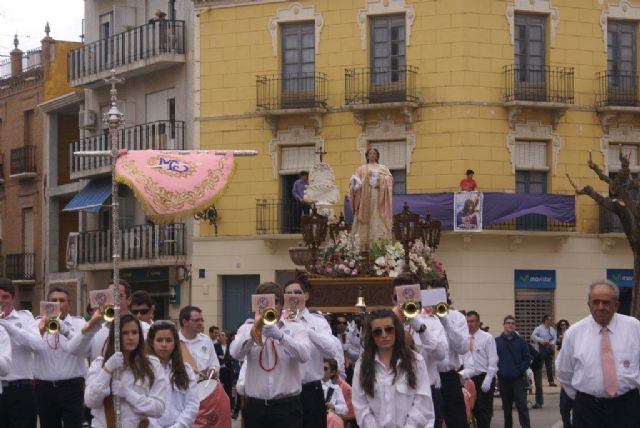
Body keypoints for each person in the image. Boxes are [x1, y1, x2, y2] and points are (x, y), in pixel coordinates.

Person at [556, 280, 640, 428]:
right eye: (595, 302)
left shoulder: (634, 328)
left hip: (627, 408)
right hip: (587, 410)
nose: (600, 307)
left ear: (616, 305)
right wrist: (585, 397)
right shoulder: (574, 333)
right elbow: (564, 373)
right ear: (589, 305)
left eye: (606, 302)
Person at [230, 281, 312, 428]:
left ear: (281, 305)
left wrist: (281, 336)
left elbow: (304, 355)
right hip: (256, 406)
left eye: (275, 302)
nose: (270, 306)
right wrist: (254, 331)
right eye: (264, 302)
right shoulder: (246, 328)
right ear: (257, 305)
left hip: (287, 406)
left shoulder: (296, 328)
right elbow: (235, 353)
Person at [351, 309, 434, 427]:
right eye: (377, 332)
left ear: (397, 331)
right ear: (371, 336)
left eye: (389, 329)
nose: (384, 335)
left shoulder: (416, 361)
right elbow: (360, 406)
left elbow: (423, 405)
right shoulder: (362, 365)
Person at [84, 313, 168, 427]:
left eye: (134, 332)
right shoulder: (99, 365)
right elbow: (90, 401)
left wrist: (128, 394)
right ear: (115, 336)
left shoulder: (151, 365)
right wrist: (107, 370)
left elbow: (158, 408)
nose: (131, 337)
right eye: (125, 333)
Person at [392, 273, 448, 428]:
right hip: (395, 394)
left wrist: (420, 328)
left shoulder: (432, 322)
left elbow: (441, 355)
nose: (402, 302)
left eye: (408, 296)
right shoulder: (386, 322)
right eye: (398, 298)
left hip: (425, 392)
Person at [284, 278, 338, 428]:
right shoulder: (278, 321)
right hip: (285, 392)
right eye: (288, 293)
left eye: (297, 292)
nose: (293, 296)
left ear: (306, 295)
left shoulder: (318, 322)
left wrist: (305, 330)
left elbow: (332, 351)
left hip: (310, 391)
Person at [33, 287, 88, 428]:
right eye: (54, 301)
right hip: (44, 388)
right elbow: (31, 346)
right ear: (46, 304)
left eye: (61, 301)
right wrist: (41, 329)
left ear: (69, 304)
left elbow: (84, 349)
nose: (58, 304)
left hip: (72, 387)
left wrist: (65, 330)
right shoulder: (36, 324)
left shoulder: (79, 323)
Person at [67, 280, 149, 362]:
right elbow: (73, 350)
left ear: (129, 300)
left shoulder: (144, 328)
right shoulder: (96, 328)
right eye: (109, 297)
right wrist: (92, 326)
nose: (113, 302)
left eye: (117, 297)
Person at [0, 278, 43, 428]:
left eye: (5, 297)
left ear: (13, 299)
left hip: (21, 389)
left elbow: (38, 345)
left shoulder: (25, 318)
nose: (1, 301)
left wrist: (8, 326)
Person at [431, 279, 470, 428]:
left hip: (449, 377)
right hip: (427, 378)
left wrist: (445, 322)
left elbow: (463, 348)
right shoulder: (419, 316)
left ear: (445, 295)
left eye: (437, 294)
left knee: (457, 422)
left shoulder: (456, 317)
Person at [147, 320, 199, 428]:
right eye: (160, 340)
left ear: (175, 343)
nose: (164, 344)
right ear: (152, 342)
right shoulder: (143, 370)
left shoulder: (186, 370)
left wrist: (178, 426)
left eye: (168, 340)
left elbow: (192, 404)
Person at [349, 147, 393, 248]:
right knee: (364, 217)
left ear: (377, 156)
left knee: (377, 215)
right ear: (367, 156)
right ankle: (362, 244)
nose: (372, 155)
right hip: (364, 197)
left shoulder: (383, 168)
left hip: (378, 195)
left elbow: (390, 180)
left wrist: (380, 179)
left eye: (374, 153)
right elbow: (354, 182)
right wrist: (354, 184)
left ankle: (379, 244)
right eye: (370, 153)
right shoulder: (361, 168)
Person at [461, 310, 498, 428]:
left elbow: (493, 361)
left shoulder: (487, 338)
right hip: (468, 378)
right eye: (467, 321)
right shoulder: (463, 338)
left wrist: (488, 379)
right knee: (470, 409)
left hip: (484, 377)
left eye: (472, 321)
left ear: (478, 322)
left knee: (483, 411)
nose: (469, 324)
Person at [495, 315, 531, 428]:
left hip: (518, 379)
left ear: (515, 326)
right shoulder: (497, 341)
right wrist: (499, 371)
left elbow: (527, 358)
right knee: (506, 407)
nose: (510, 325)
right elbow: (493, 359)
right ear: (504, 325)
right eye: (508, 323)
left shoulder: (521, 341)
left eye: (512, 323)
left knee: (522, 406)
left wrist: (520, 370)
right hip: (503, 379)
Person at [178, 305, 220, 379]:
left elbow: (214, 363)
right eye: (196, 320)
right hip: (181, 388)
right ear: (185, 322)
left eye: (202, 320)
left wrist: (213, 370)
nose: (201, 323)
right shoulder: (174, 341)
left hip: (203, 387)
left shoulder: (206, 340)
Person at [555, 319, 573, 428]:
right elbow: (558, 364)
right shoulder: (562, 351)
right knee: (564, 410)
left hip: (579, 386)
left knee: (578, 412)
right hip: (566, 386)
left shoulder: (578, 348)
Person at [531, 314, 557, 386]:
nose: (550, 321)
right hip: (541, 348)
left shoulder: (552, 329)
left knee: (549, 366)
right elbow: (533, 336)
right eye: (548, 319)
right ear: (545, 320)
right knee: (539, 366)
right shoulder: (539, 328)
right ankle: (537, 381)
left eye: (550, 320)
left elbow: (554, 338)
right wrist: (540, 340)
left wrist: (551, 343)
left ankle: (551, 381)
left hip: (548, 348)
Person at [322, 359, 348, 428]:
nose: (321, 370)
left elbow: (345, 409)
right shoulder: (313, 386)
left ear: (332, 372)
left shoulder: (336, 388)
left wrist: (334, 407)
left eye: (325, 368)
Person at [215, 330, 235, 406]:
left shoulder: (231, 346)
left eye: (222, 335)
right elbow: (215, 357)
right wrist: (224, 358)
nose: (220, 337)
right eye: (219, 335)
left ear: (226, 337)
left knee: (228, 390)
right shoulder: (215, 346)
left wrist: (223, 358)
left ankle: (229, 407)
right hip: (219, 370)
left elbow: (233, 357)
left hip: (228, 370)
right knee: (219, 391)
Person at [527, 341, 544, 409]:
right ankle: (520, 402)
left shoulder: (525, 346)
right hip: (527, 367)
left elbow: (535, 357)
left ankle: (539, 402)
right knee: (523, 384)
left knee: (538, 385)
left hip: (536, 366)